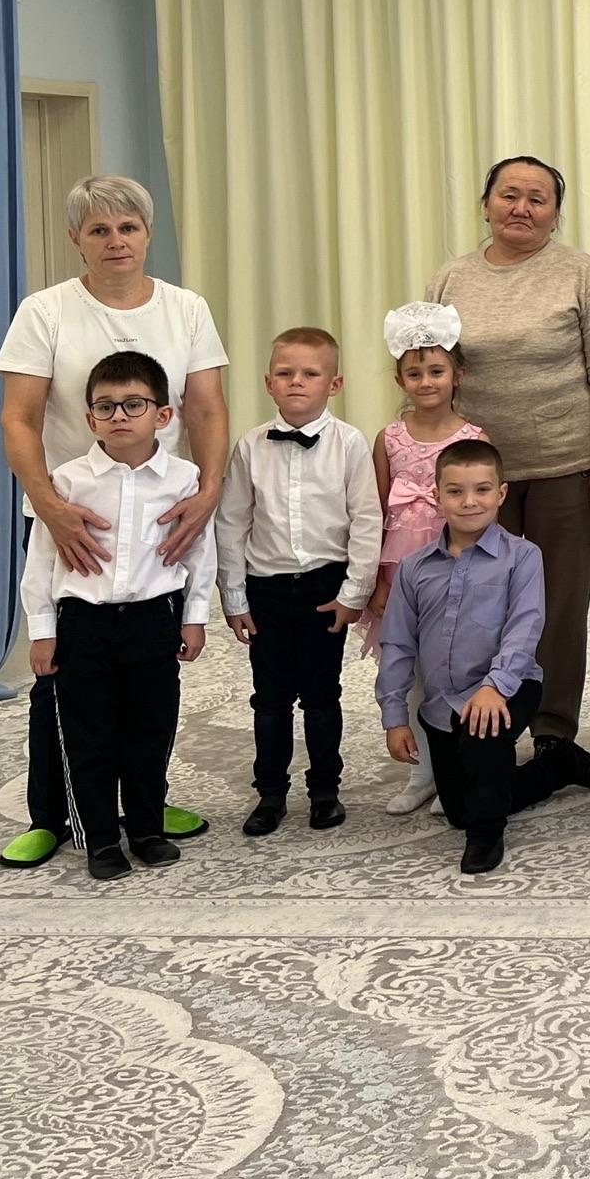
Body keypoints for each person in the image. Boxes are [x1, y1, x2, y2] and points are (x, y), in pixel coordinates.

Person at [0, 174, 225, 868]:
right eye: (99, 229)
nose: (115, 241)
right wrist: (50, 506)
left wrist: (209, 491)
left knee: (148, 687)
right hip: (74, 517)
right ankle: (53, 814)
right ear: (77, 239)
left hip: (157, 510)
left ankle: (142, 806)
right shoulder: (45, 311)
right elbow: (19, 418)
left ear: (147, 234)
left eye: (128, 227)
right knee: (65, 682)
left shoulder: (186, 308)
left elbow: (206, 409)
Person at [427, 154, 590, 795]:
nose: (522, 208)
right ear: (486, 204)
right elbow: (428, 369)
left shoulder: (579, 272)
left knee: (558, 606)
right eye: (509, 195)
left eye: (538, 199)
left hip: (566, 467)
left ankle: (553, 735)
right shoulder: (451, 278)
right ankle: (483, 731)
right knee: (479, 606)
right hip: (475, 478)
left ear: (555, 213)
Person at [19, 353, 215, 882]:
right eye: (105, 407)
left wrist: (195, 616)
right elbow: (41, 559)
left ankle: (147, 829)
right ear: (90, 419)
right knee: (88, 734)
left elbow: (200, 551)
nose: (119, 416)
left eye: (134, 404)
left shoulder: (184, 479)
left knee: (151, 728)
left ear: (163, 416)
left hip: (154, 619)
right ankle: (101, 839)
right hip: (84, 623)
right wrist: (42, 630)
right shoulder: (67, 481)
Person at [373, 438, 568, 875]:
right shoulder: (414, 568)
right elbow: (398, 643)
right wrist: (394, 717)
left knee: (484, 747)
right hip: (443, 701)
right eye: (456, 491)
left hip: (510, 685)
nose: (469, 501)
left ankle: (487, 834)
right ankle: (557, 766)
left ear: (501, 493)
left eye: (482, 490)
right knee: (460, 809)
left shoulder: (523, 556)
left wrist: (494, 687)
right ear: (437, 495)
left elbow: (525, 627)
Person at [216, 328, 381, 838]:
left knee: (322, 696)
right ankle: (270, 793)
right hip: (265, 588)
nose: (296, 382)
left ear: (334, 384)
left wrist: (354, 593)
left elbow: (367, 521)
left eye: (310, 373)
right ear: (268, 382)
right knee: (269, 699)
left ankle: (325, 790)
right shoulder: (249, 446)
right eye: (285, 373)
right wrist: (234, 596)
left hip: (325, 589)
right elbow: (231, 522)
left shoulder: (350, 443)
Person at [367, 303, 483, 814]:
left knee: (455, 671)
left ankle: (458, 769)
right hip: (401, 572)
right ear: (400, 379)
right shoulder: (389, 439)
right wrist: (376, 580)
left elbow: (484, 515)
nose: (426, 382)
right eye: (414, 374)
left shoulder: (473, 438)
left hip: (455, 572)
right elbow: (374, 511)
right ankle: (423, 773)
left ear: (458, 374)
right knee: (412, 671)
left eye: (436, 371)